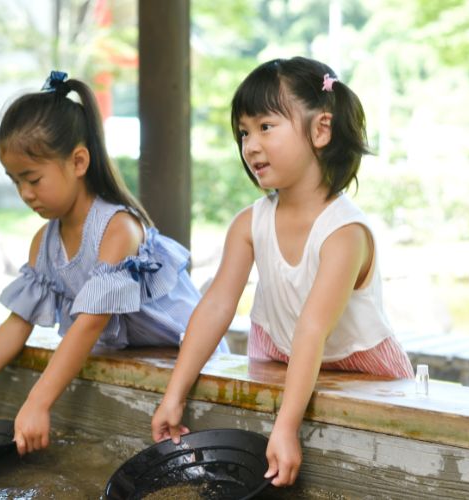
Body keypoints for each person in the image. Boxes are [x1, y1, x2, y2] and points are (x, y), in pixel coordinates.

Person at [150, 57, 414, 487]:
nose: (250, 145)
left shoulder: (343, 232)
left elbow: (312, 327)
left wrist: (286, 426)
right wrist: (173, 393)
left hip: (358, 369)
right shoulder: (249, 223)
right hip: (283, 361)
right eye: (243, 132)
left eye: (266, 126)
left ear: (321, 130)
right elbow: (216, 304)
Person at [0, 71, 226, 456]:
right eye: (15, 181)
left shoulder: (117, 229)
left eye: (33, 178)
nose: (25, 193)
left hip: (196, 358)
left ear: (78, 161)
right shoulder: (43, 243)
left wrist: (38, 402)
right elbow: (17, 323)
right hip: (142, 358)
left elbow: (90, 322)